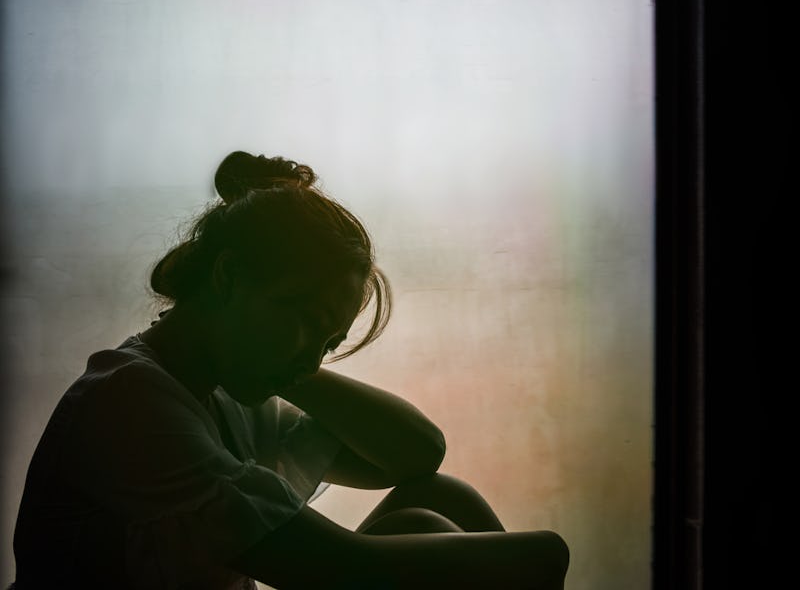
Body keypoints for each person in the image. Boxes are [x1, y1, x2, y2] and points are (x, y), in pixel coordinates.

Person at [11, 151, 569, 589]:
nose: (316, 355)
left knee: (442, 500)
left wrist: (295, 363)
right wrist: (542, 556)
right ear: (229, 278)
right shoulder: (129, 399)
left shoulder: (224, 392)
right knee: (478, 547)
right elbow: (340, 569)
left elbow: (418, 455)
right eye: (304, 319)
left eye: (332, 341)